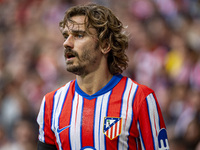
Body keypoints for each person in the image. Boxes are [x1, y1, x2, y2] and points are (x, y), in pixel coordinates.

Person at [37, 3, 169, 150]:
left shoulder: (139, 98)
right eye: (66, 36)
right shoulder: (52, 103)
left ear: (105, 45)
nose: (67, 43)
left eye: (79, 35)